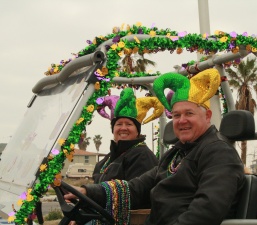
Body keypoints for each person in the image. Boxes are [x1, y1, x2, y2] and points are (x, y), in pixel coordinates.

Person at [65, 68, 245, 225]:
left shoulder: (219, 153)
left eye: (188, 113)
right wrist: (87, 191)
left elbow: (206, 211)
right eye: (176, 115)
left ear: (207, 116)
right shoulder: (176, 153)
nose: (181, 121)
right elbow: (137, 187)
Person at [92, 90, 162, 184]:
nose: (123, 128)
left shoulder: (142, 156)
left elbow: (135, 192)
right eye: (119, 124)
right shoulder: (107, 160)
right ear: (113, 129)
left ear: (137, 131)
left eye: (129, 124)